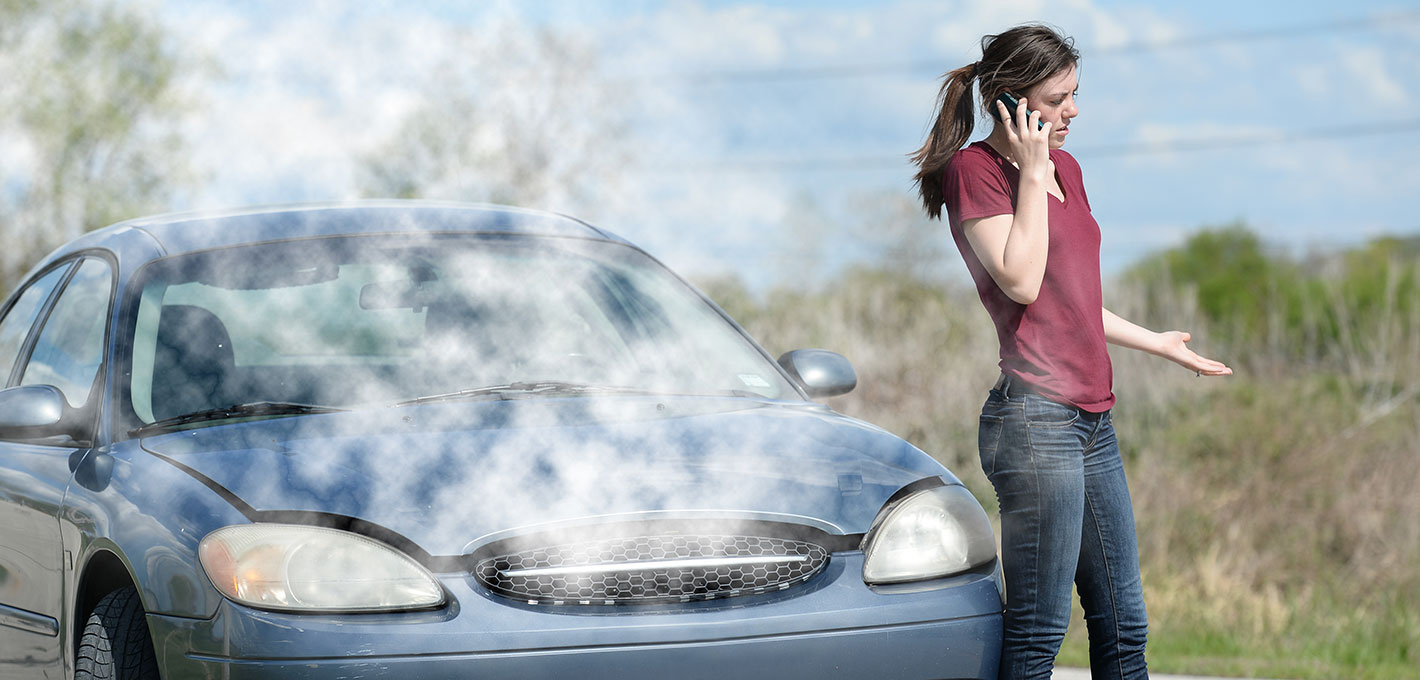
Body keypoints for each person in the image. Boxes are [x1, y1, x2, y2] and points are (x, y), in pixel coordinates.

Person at [908, 23, 1231, 680]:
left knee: (1124, 623)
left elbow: (1074, 298)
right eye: (1057, 100)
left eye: (1075, 95)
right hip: (1033, 425)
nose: (1073, 112)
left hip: (1092, 422)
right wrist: (1030, 173)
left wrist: (1159, 344)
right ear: (1010, 101)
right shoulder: (978, 172)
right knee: (1039, 628)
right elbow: (1022, 280)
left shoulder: (1069, 169)